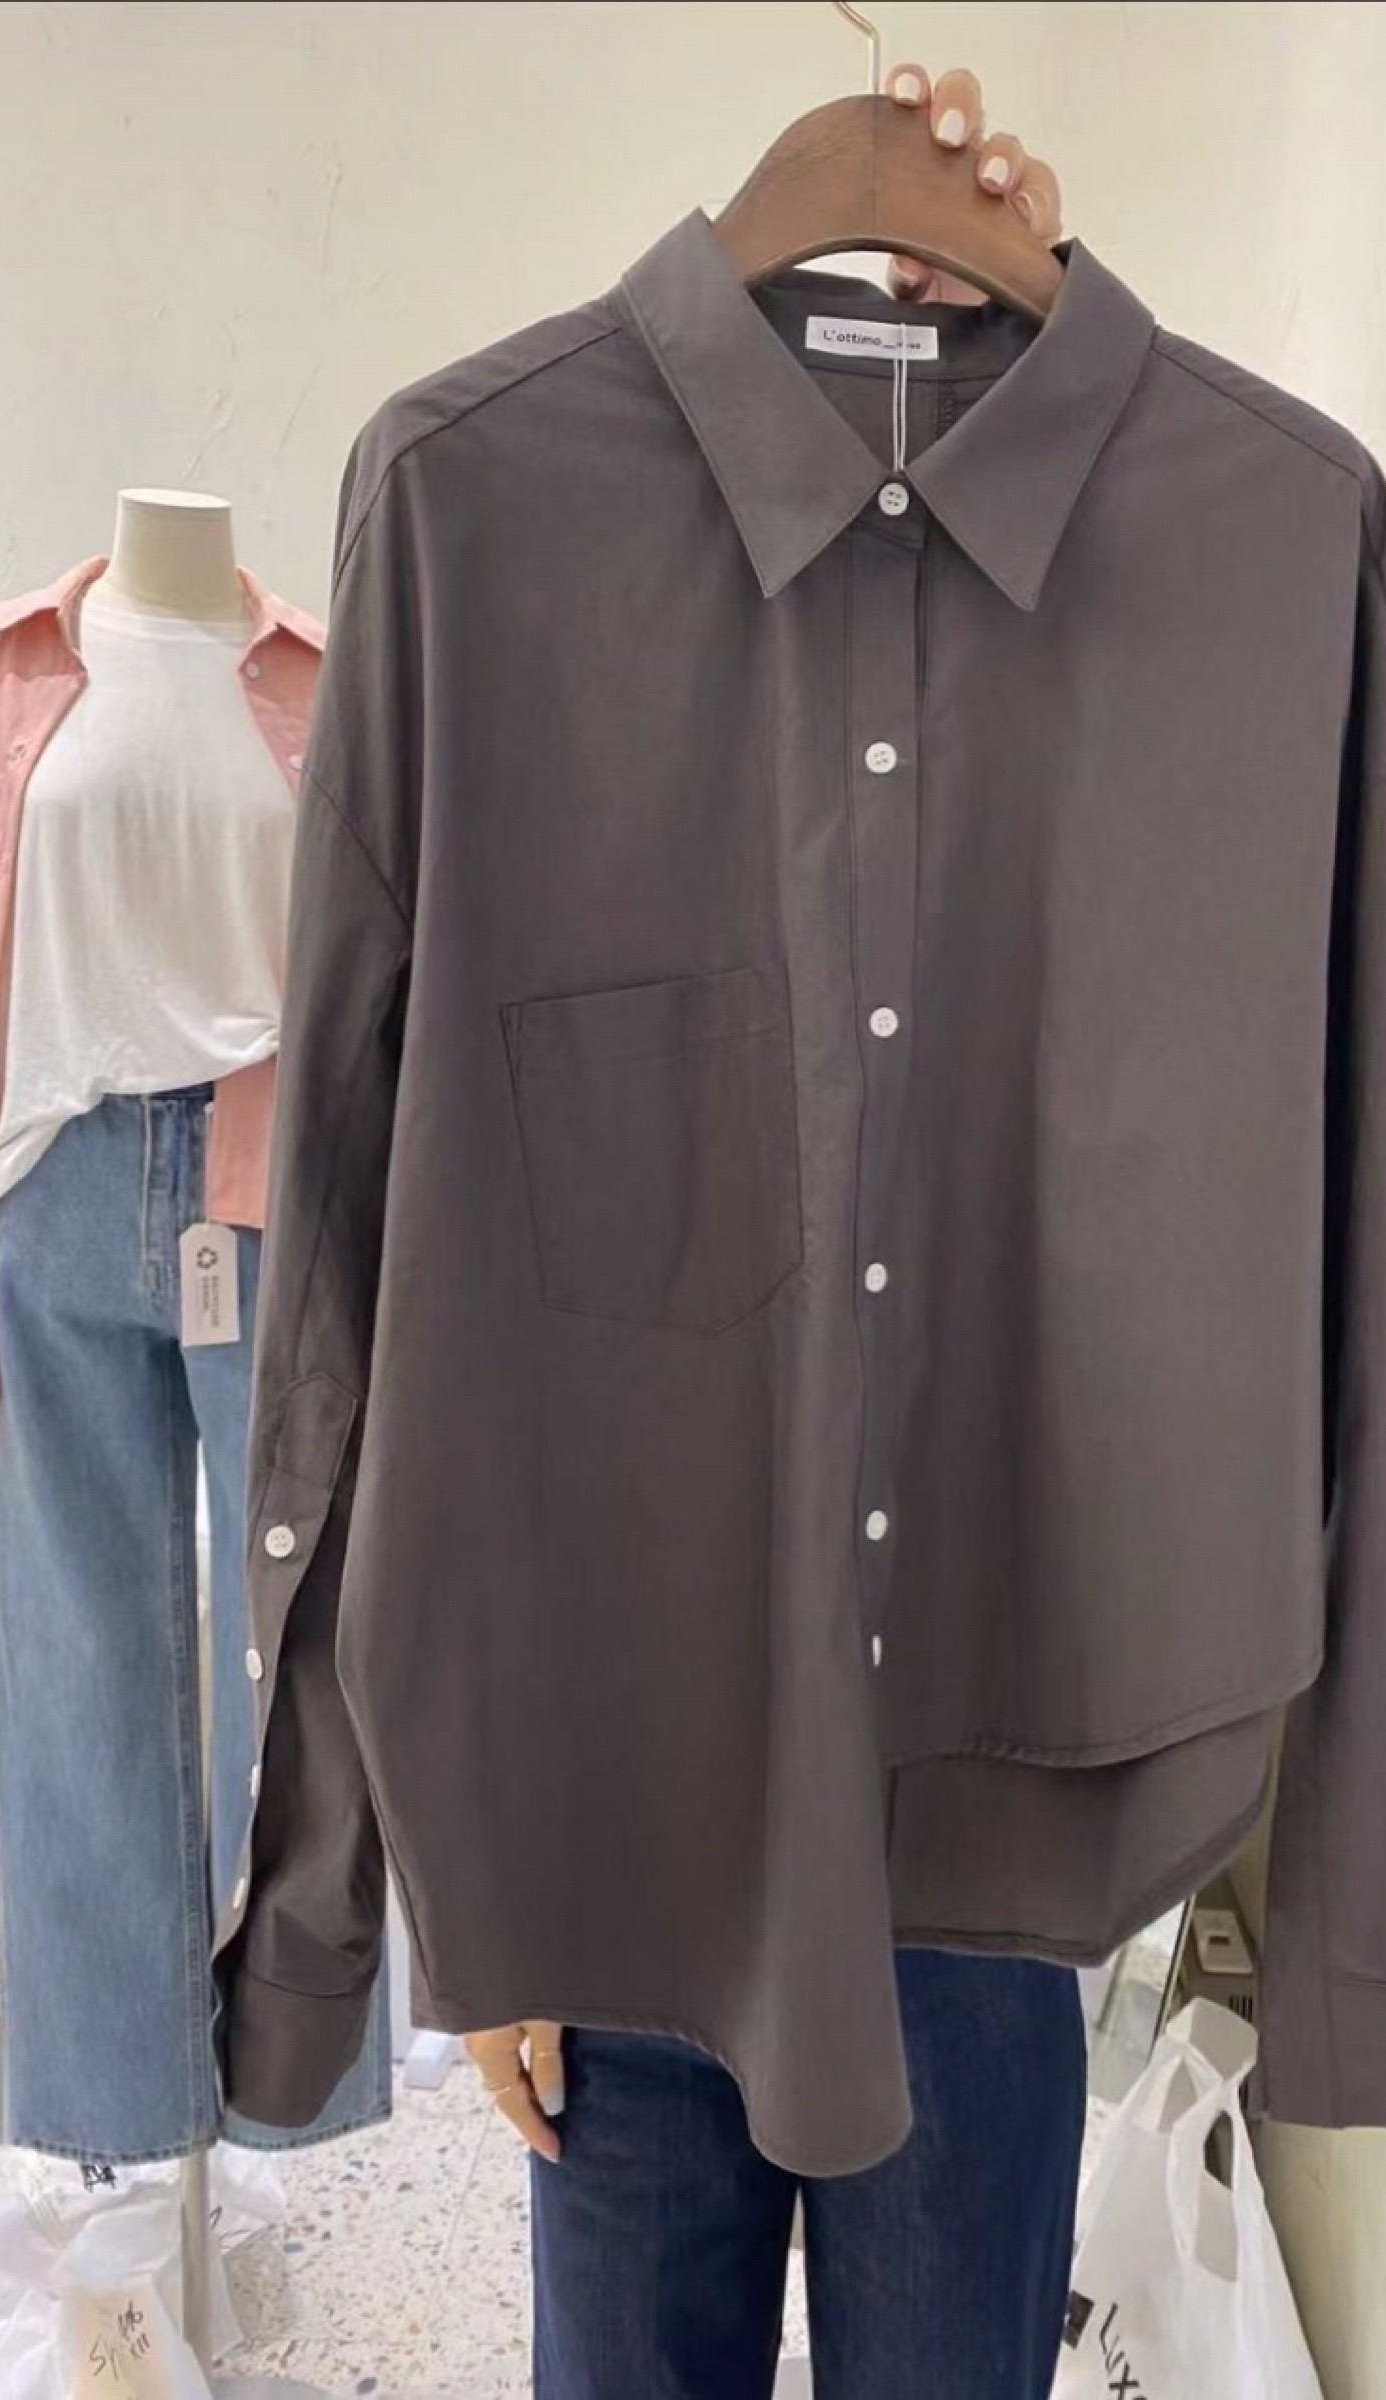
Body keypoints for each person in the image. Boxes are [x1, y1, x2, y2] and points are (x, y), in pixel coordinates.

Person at [464, 65, 1085, 2400]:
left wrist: (1048, 370)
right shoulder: (491, 543)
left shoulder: (1139, 605)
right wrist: (484, 1873)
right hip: (635, 1827)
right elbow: (420, 1302)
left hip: (970, 1843)